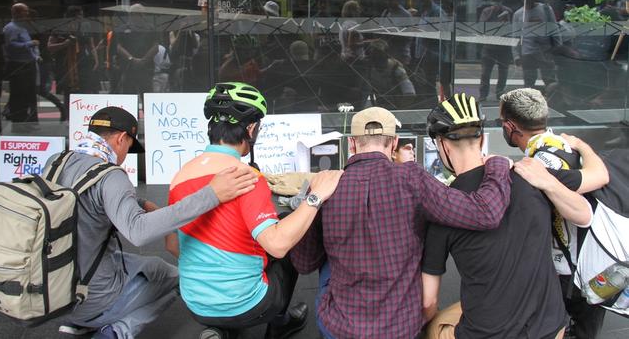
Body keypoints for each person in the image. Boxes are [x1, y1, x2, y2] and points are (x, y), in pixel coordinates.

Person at [290, 106, 514, 339]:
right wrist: (497, 165)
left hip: (340, 326)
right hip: (400, 327)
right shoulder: (411, 177)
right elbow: (486, 213)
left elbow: (304, 264)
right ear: (394, 143)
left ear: (352, 144)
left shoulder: (325, 186)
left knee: (327, 261)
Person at [50, 106, 259, 339]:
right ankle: (117, 331)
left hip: (50, 293)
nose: (124, 156)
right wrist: (211, 194)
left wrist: (138, 202)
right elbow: (138, 232)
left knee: (145, 264)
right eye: (129, 148)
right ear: (121, 138)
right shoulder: (110, 175)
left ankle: (80, 323)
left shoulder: (57, 162)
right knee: (175, 277)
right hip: (89, 297)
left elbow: (85, 197)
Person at [165, 82, 343, 339]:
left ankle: (221, 331)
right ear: (250, 128)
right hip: (248, 305)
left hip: (195, 305)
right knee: (289, 234)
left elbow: (173, 245)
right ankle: (279, 324)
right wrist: (315, 198)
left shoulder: (180, 176)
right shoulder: (246, 178)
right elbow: (278, 245)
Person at [422, 93, 594, 339]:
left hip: (487, 334)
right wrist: (549, 183)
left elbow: (428, 300)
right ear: (481, 139)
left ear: (442, 144)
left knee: (434, 326)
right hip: (549, 327)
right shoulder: (530, 174)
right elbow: (585, 214)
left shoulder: (443, 207)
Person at [499, 88, 610, 339]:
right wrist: (582, 144)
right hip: (591, 261)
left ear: (509, 127)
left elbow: (584, 206)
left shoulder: (541, 166)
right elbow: (599, 173)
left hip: (568, 273)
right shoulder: (564, 146)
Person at [48, 6, 99, 119]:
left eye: (81, 15)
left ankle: (84, 117)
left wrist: (96, 59)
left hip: (84, 62)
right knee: (69, 92)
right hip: (66, 63)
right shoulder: (60, 28)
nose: (81, 18)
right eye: (78, 15)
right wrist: (64, 44)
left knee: (86, 89)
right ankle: (69, 118)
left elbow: (91, 44)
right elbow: (50, 47)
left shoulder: (85, 27)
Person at [512, 0, 557, 89]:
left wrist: (557, 50)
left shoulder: (546, 9)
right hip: (527, 54)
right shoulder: (518, 14)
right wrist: (516, 56)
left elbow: (555, 30)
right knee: (528, 83)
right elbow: (515, 36)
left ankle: (554, 102)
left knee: (550, 81)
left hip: (545, 52)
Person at [3, 2, 39, 124]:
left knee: (29, 93)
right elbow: (10, 45)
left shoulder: (23, 27)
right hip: (18, 65)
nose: (27, 14)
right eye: (25, 11)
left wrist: (35, 56)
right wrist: (29, 44)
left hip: (28, 64)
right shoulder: (10, 28)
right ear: (16, 13)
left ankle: (26, 119)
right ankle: (18, 119)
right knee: (19, 93)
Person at [413, 0, 452, 98]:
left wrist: (424, 31)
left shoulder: (437, 11)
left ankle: (447, 104)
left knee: (442, 81)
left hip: (436, 53)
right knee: (430, 81)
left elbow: (443, 30)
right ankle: (433, 103)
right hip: (427, 54)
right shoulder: (424, 12)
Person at [114, 3, 158, 95]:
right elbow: (118, 47)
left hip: (146, 68)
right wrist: (131, 59)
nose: (140, 16)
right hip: (128, 68)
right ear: (131, 14)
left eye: (141, 13)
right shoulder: (122, 29)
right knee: (129, 95)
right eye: (136, 13)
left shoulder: (151, 28)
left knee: (147, 95)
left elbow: (155, 47)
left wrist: (144, 60)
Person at [478, 0, 513, 101]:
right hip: (489, 46)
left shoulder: (508, 11)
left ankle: (499, 93)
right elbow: (481, 27)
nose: (496, 3)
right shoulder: (486, 11)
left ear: (502, 0)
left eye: (498, 1)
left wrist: (505, 21)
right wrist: (492, 14)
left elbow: (511, 28)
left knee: (503, 72)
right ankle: (483, 95)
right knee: (485, 73)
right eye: (494, 1)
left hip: (503, 46)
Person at [380, 0, 413, 66]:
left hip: (401, 55)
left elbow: (409, 36)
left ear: (397, 0)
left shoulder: (405, 15)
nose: (388, 2)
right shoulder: (385, 13)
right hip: (388, 54)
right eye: (387, 0)